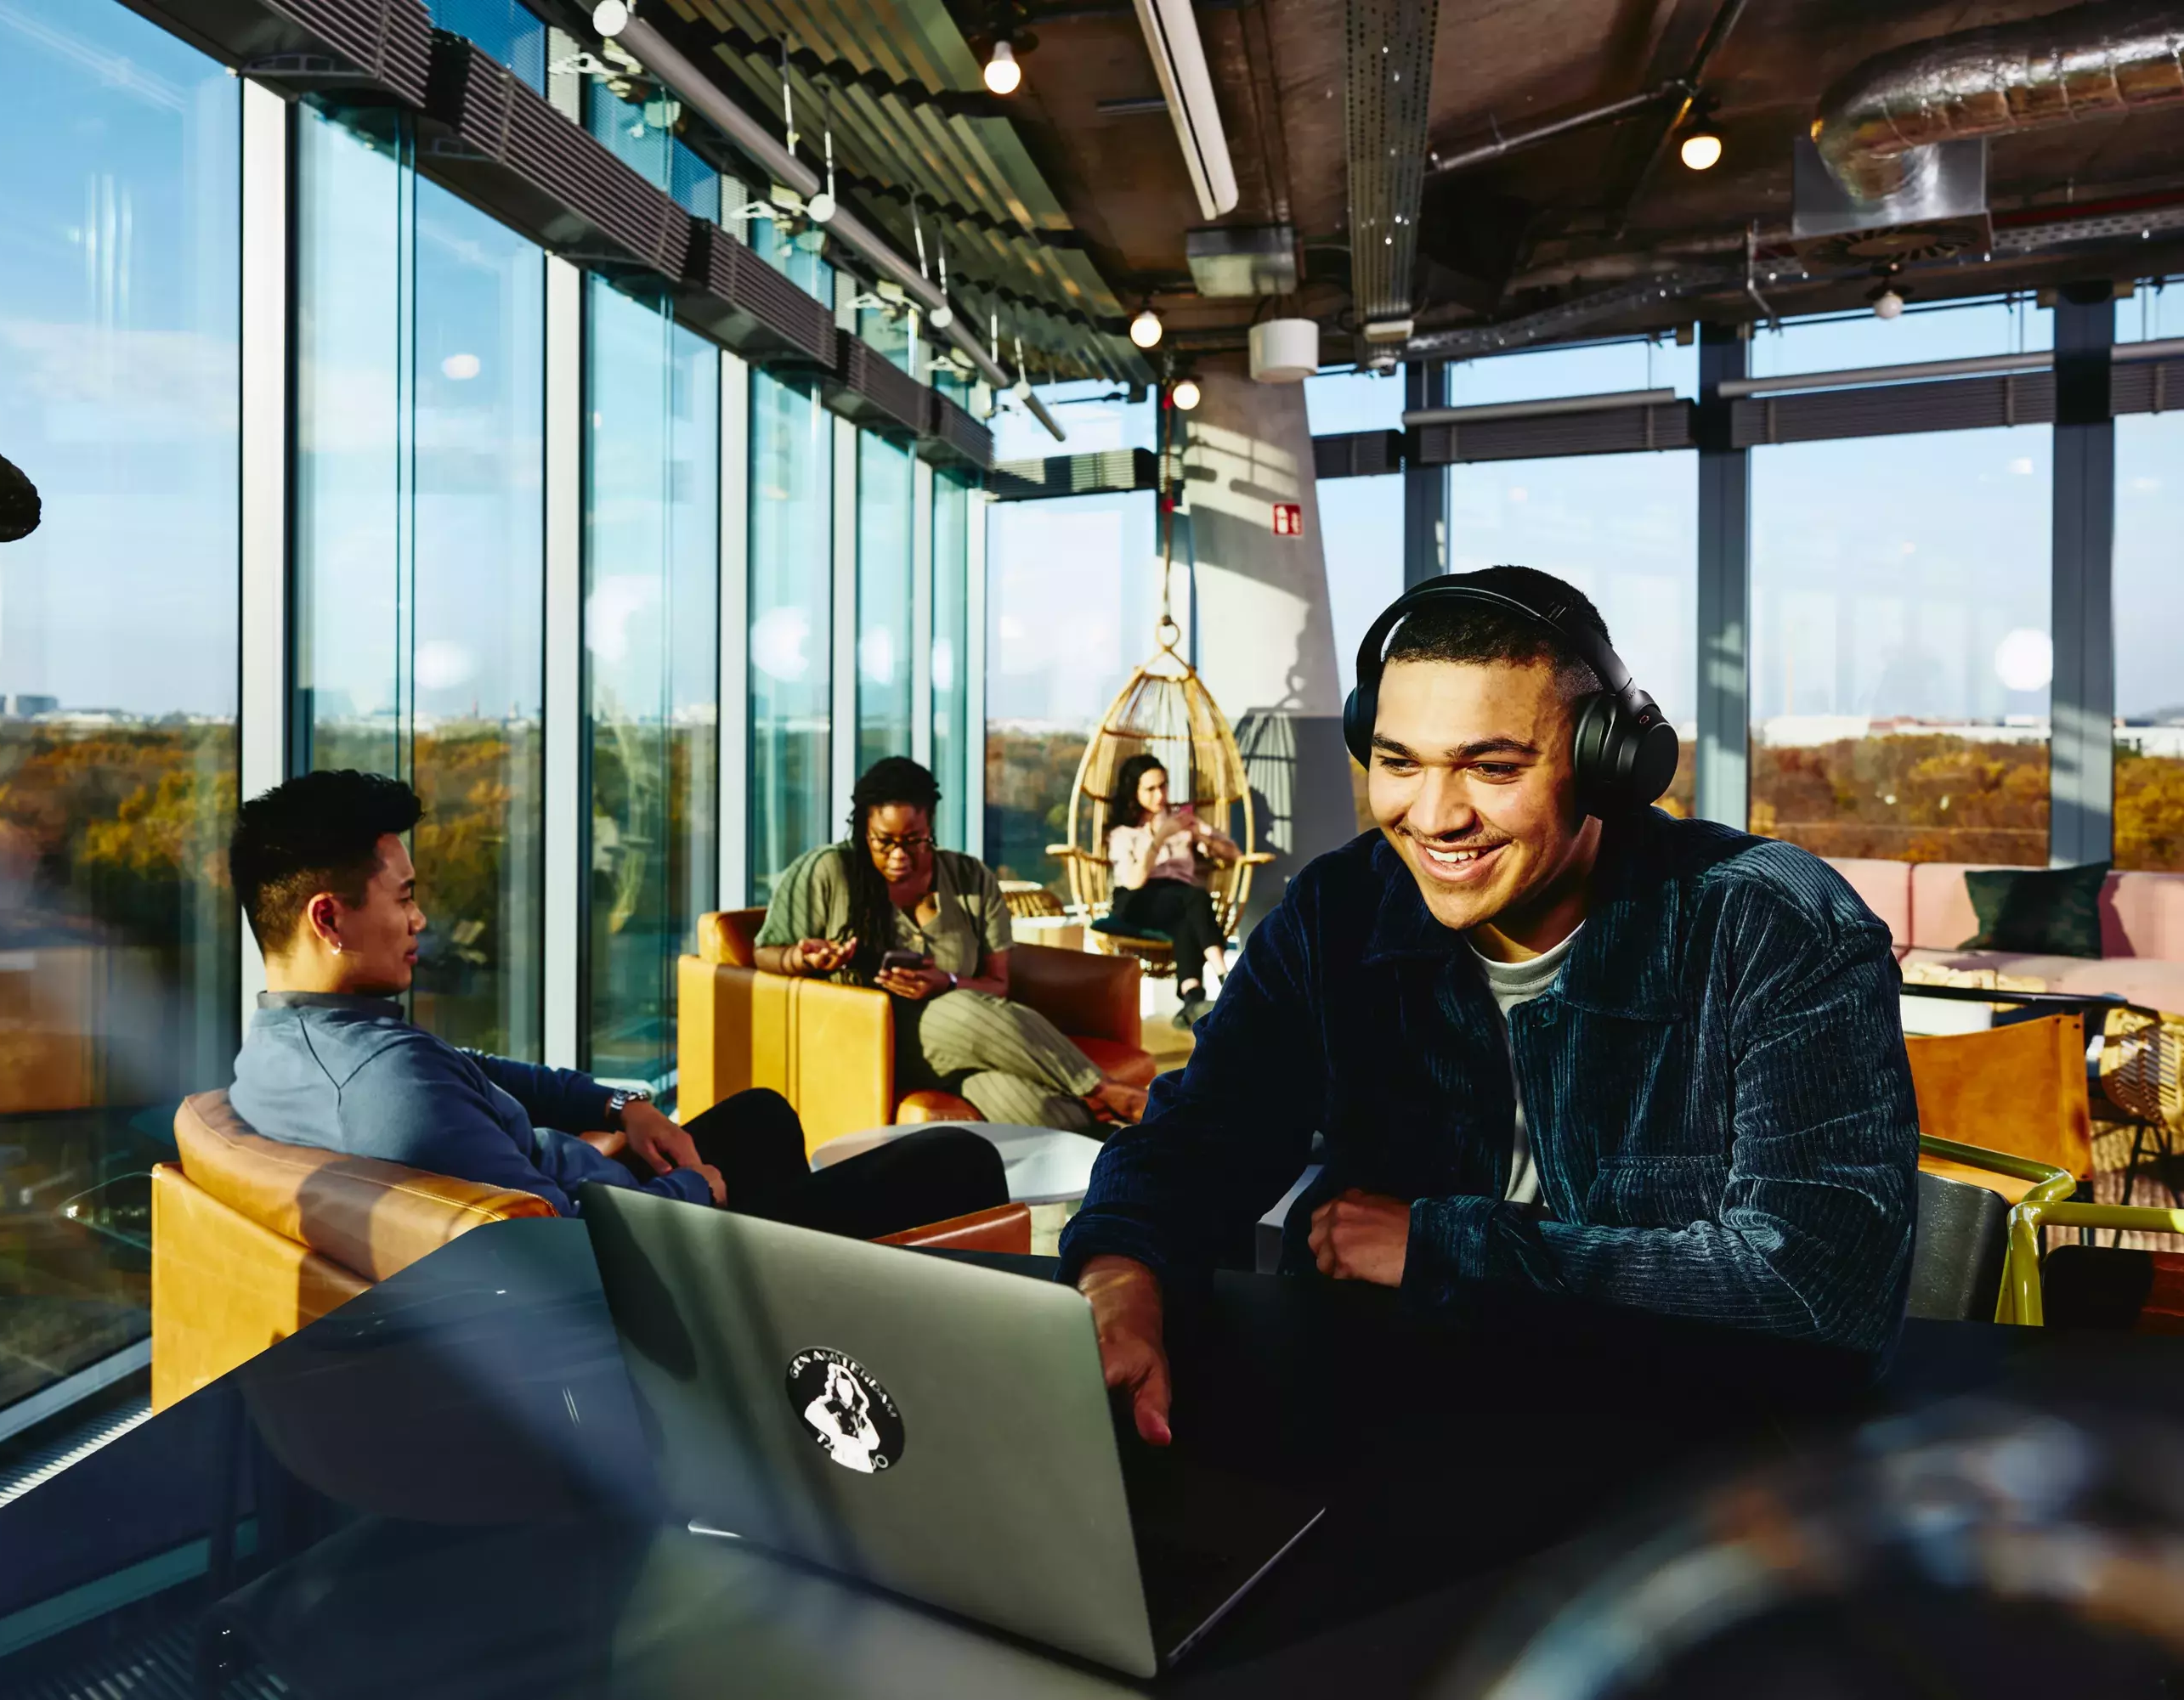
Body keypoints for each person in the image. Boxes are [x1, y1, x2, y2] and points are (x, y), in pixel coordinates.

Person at [1062, 566, 1918, 1445]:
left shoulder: (1772, 924)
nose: (1433, 816)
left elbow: (1820, 1293)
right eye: (1397, 762)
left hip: (1686, 1465)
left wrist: (1444, 1248)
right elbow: (1200, 1140)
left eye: (1492, 767)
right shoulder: (1339, 912)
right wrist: (1120, 1272)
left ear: (1607, 765)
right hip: (1389, 1440)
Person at [225, 769, 1007, 1239]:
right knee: (960, 1158)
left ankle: (816, 1275)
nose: (421, 919)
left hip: (627, 1202)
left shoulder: (286, 1047)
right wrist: (694, 1189)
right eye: (405, 898)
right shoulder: (389, 1091)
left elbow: (481, 1072)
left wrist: (622, 1103)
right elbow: (565, 1248)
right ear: (328, 917)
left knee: (762, 1115)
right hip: (660, 1263)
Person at [755, 756, 1148, 1135]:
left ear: (931, 826)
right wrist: (801, 958)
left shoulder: (969, 878)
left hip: (967, 1041)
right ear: (862, 829)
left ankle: (1125, 1162)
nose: (898, 855)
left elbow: (998, 986)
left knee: (1028, 1104)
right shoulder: (827, 871)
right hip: (873, 1034)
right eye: (883, 841)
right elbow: (764, 952)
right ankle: (1110, 1092)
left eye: (913, 840)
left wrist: (948, 981)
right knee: (960, 1011)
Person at [1104, 753, 1239, 1027]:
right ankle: (1228, 980)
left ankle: (1192, 999)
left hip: (1179, 900)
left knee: (1186, 917)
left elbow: (1233, 854)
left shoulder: (1182, 822)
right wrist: (1161, 836)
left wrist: (1201, 836)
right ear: (1135, 792)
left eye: (1163, 786)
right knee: (1194, 897)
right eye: (1150, 789)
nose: (1160, 795)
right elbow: (1133, 881)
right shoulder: (1122, 833)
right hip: (1137, 900)